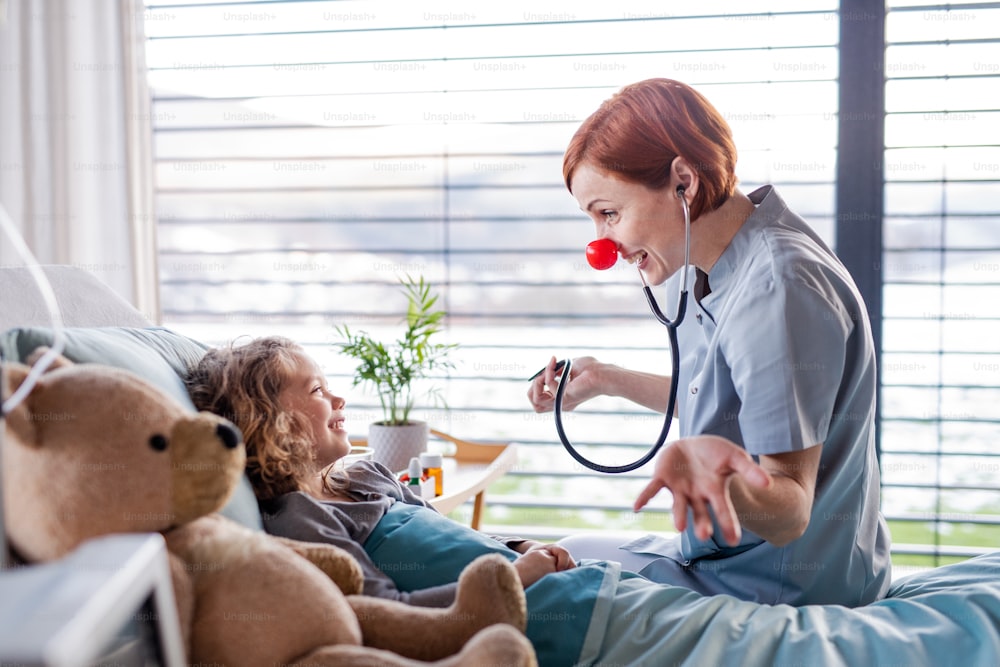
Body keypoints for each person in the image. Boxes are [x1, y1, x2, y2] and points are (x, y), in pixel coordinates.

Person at [527, 77, 891, 607]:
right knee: (561, 551)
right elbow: (724, 400)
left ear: (683, 182)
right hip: (725, 560)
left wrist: (714, 480)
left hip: (784, 588)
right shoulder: (715, 262)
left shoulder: (778, 287)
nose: (601, 245)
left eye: (609, 213)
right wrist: (606, 379)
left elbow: (789, 509)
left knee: (545, 592)